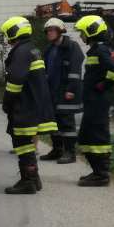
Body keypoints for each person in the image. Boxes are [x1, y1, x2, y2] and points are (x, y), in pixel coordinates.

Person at [0, 16, 57, 194]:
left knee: (23, 143)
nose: (7, 38)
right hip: (33, 103)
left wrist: (7, 102)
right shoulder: (31, 49)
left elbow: (16, 80)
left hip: (25, 105)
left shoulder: (21, 51)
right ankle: (34, 179)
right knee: (26, 143)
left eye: (8, 34)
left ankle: (28, 181)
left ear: (14, 31)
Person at [73, 15, 114, 186]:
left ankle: (102, 175)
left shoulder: (101, 50)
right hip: (92, 102)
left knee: (97, 136)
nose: (81, 36)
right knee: (86, 136)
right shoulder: (96, 50)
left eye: (83, 32)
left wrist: (103, 86)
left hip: (98, 102)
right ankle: (97, 172)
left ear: (92, 32)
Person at [40, 17, 84, 164]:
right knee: (54, 123)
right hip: (52, 92)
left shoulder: (72, 47)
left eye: (52, 30)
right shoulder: (49, 49)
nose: (49, 33)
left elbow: (75, 71)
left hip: (66, 92)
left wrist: (71, 89)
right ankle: (57, 150)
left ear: (60, 31)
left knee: (67, 123)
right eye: (48, 31)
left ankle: (70, 153)